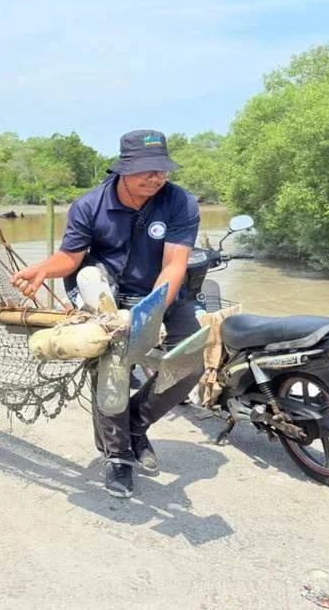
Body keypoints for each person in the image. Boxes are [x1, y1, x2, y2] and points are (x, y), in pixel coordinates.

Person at [11, 129, 201, 499]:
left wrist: (152, 310)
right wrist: (43, 270)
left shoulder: (179, 202)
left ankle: (135, 424)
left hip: (163, 293)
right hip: (104, 294)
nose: (156, 177)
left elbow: (175, 264)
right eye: (147, 170)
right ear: (123, 169)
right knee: (112, 372)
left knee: (190, 362)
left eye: (162, 169)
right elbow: (72, 257)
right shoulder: (89, 206)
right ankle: (119, 458)